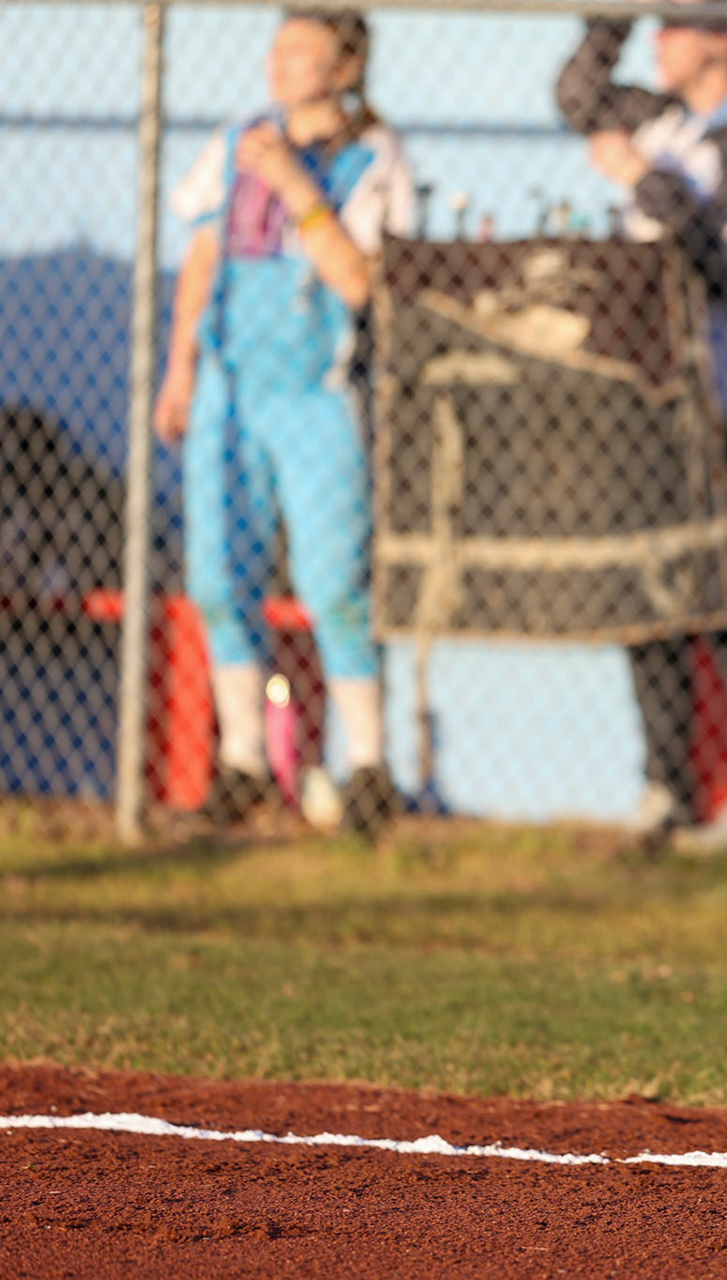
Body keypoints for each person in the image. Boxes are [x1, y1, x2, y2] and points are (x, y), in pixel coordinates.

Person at [155, 8, 413, 836]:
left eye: (304, 52)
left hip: (317, 391)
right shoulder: (238, 140)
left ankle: (367, 767)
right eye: (278, 47)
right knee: (218, 578)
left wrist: (300, 188)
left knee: (335, 583)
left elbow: (361, 281)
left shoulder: (370, 158)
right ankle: (243, 762)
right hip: (233, 387)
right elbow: (204, 254)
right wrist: (181, 366)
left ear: (344, 68)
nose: (282, 64)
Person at [557, 0, 727, 847]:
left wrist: (642, 183)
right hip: (656, 411)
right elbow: (579, 96)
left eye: (673, 26)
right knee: (649, 597)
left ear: (723, 39)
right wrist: (609, 21)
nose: (657, 43)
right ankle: (667, 785)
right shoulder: (673, 121)